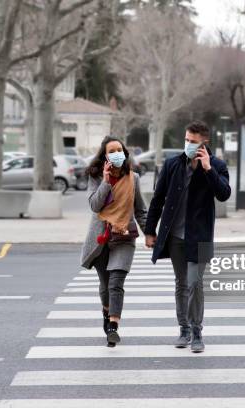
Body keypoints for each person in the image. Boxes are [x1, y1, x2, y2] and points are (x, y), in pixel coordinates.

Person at [144, 120, 231, 353]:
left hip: (199, 236)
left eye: (193, 141)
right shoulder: (173, 165)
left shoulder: (217, 165)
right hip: (174, 236)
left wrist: (208, 169)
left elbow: (224, 194)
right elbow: (158, 199)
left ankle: (197, 332)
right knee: (181, 283)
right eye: (186, 140)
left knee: (195, 283)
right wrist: (150, 230)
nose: (188, 144)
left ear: (204, 142)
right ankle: (183, 329)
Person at [80, 136, 147, 347]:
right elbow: (94, 205)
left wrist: (151, 235)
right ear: (105, 156)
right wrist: (106, 182)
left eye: (120, 150)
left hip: (125, 236)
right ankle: (107, 313)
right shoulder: (96, 177)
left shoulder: (133, 178)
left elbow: (140, 211)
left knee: (116, 281)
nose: (117, 153)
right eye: (112, 151)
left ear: (125, 153)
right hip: (101, 238)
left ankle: (113, 327)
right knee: (105, 284)